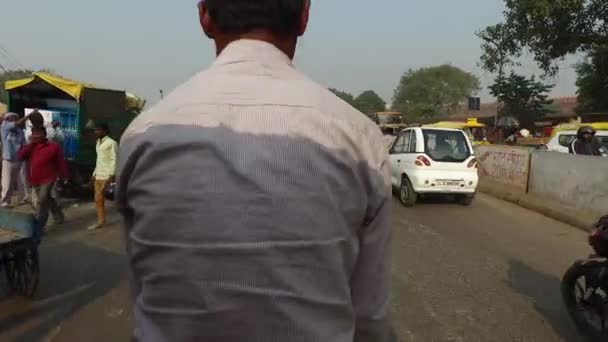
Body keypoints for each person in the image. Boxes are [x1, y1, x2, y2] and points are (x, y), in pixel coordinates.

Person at [116, 1, 392, 341]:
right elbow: (370, 319)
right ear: (304, 15)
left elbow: (143, 288)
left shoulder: (144, 135)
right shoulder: (359, 138)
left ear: (204, 16)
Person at [17, 127, 67, 228]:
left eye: (38, 134)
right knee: (47, 198)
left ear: (44, 135)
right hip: (35, 178)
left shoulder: (53, 147)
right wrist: (30, 144)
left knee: (42, 199)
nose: (35, 136)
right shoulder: (31, 147)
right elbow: (20, 156)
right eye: (34, 134)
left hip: (48, 178)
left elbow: (60, 162)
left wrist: (63, 175)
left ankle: (40, 223)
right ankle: (58, 215)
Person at [90, 123, 117, 230]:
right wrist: (94, 174)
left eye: (98, 130)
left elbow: (114, 159)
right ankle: (101, 221)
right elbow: (99, 160)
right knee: (98, 200)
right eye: (95, 130)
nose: (96, 132)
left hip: (107, 176)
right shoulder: (98, 142)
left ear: (105, 131)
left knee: (112, 197)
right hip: (98, 175)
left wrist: (111, 175)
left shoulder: (112, 143)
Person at [1, 112, 30, 207]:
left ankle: (23, 199)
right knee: (7, 182)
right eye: (12, 118)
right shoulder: (4, 127)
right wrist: (29, 116)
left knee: (22, 181)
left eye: (15, 118)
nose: (15, 119)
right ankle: (5, 201)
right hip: (8, 160)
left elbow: (23, 145)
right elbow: (17, 123)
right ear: (7, 119)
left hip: (19, 159)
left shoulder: (20, 131)